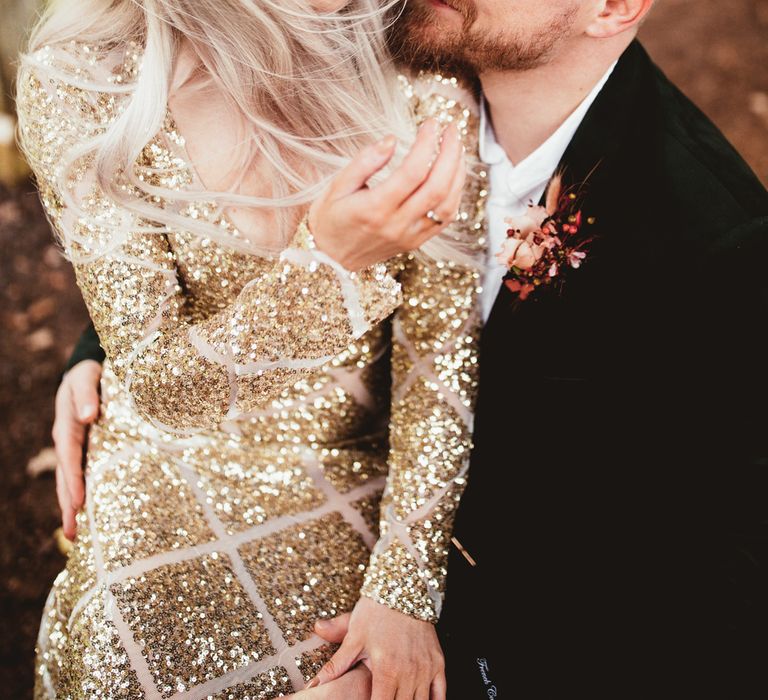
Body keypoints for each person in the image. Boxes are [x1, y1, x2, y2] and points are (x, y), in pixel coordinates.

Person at [47, 0, 768, 695]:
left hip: (462, 577)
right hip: (248, 460)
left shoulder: (714, 247)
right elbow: (205, 195)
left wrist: (440, 665)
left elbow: (706, 597)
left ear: (612, 7)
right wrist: (103, 347)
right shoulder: (395, 32)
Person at [16, 1, 488, 698]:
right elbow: (164, 388)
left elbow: (441, 360)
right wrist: (328, 265)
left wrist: (404, 591)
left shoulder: (418, 51)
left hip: (362, 458)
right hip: (167, 458)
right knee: (127, 663)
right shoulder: (84, 74)